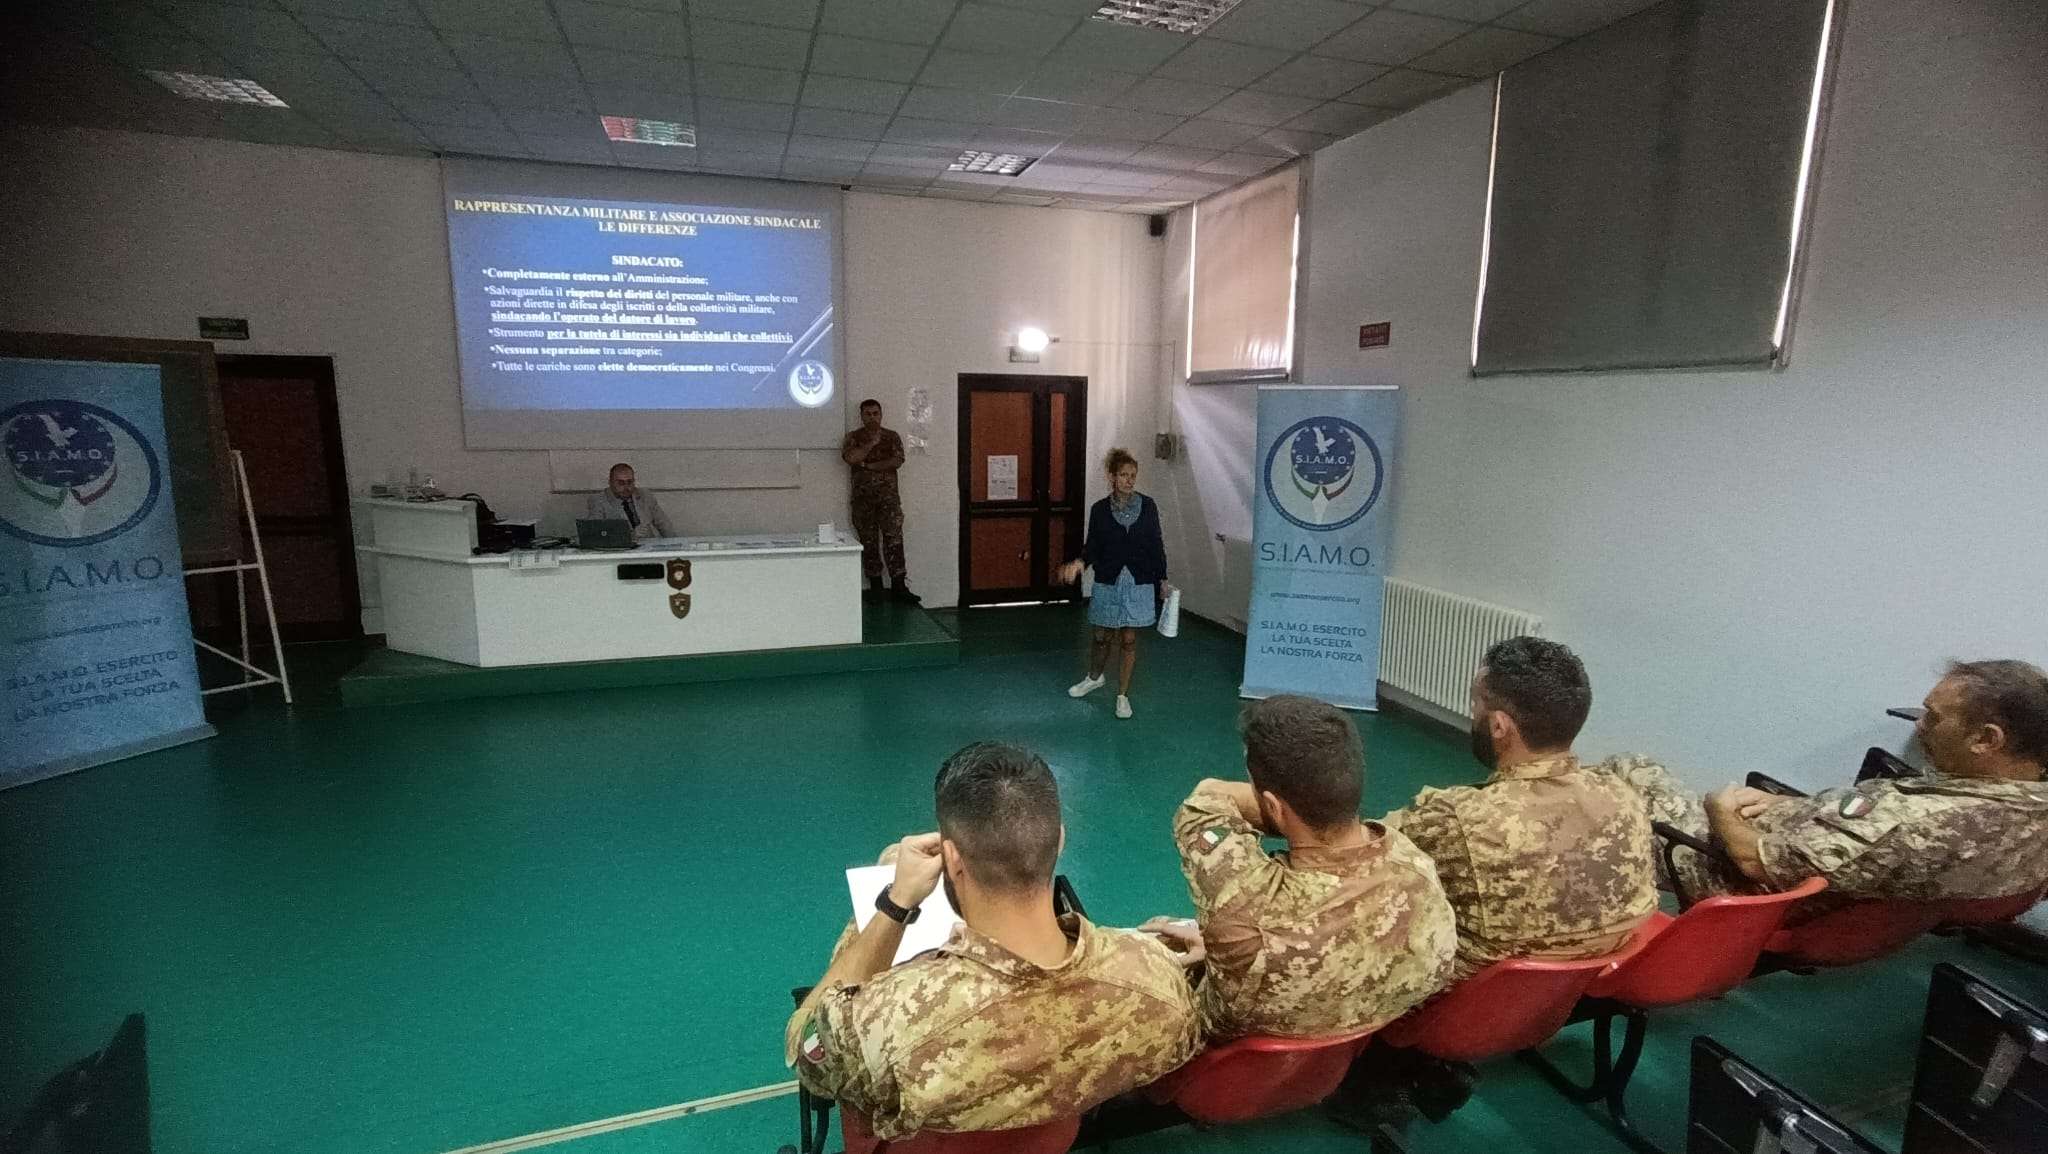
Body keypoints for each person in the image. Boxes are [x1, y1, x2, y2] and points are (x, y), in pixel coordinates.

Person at [785, 742, 1201, 1139]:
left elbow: (805, 1047)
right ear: (1059, 839)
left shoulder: (884, 1023)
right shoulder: (1157, 977)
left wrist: (895, 902)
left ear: (952, 858)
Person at [1594, 659, 2048, 919]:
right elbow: (1855, 839)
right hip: (1808, 864)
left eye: (1934, 716)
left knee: (1627, 770)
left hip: (1729, 877)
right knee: (1636, 772)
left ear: (1986, 739)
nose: (1920, 724)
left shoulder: (1913, 823)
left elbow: (1755, 861)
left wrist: (1719, 810)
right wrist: (1789, 804)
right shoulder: (2022, 806)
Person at [1158, 695, 1456, 1040]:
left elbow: (1208, 798)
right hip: (1360, 1047)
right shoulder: (1416, 867)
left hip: (1225, 1056)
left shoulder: (1246, 908)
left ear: (1273, 806)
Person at [1380, 636, 1657, 979]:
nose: (1473, 714)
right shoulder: (1624, 793)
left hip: (1477, 995)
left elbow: (1360, 853)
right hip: (1582, 978)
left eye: (1476, 703)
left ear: (1499, 726)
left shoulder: (1457, 817)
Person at [1057, 448, 1167, 720]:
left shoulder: (1148, 506)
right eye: (1124, 475)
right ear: (1112, 477)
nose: (1129, 480)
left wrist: (1162, 578)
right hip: (1108, 578)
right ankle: (1094, 677)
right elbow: (1093, 545)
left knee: (1128, 638)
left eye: (1133, 475)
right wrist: (1080, 563)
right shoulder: (1099, 510)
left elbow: (1156, 543)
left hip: (1139, 580)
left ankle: (1122, 696)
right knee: (1101, 636)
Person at [841, 399, 916, 603]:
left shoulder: (892, 436)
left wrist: (869, 466)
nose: (872, 418)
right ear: (861, 416)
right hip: (863, 501)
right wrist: (870, 444)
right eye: (868, 414)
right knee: (869, 542)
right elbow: (851, 458)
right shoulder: (853, 437)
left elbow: (897, 461)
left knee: (894, 541)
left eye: (876, 413)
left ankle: (899, 586)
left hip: (888, 500)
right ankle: (876, 587)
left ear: (881, 414)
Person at [584, 462, 674, 541]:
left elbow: (664, 524)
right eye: (621, 483)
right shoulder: (598, 501)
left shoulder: (645, 495)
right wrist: (630, 536)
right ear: (610, 483)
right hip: (620, 550)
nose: (626, 487)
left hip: (648, 546)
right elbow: (595, 535)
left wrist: (675, 545)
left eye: (630, 482)